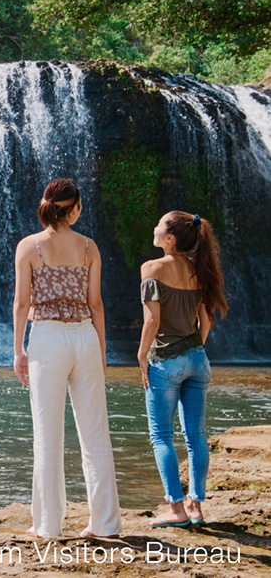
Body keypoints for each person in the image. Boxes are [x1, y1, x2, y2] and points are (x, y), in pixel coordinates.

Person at [13, 178, 121, 539]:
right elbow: (96, 304)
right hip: (85, 337)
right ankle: (105, 524)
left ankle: (48, 525)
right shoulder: (90, 247)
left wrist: (18, 350)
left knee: (47, 434)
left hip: (47, 338)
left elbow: (22, 304)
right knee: (95, 434)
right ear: (73, 208)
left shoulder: (30, 247)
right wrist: (102, 350)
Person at [138, 211, 228, 528]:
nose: (154, 227)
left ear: (170, 238)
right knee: (196, 437)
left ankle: (176, 510)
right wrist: (194, 348)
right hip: (197, 360)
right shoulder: (198, 269)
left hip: (165, 362)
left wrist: (141, 355)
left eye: (159, 225)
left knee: (162, 437)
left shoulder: (151, 268)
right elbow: (206, 321)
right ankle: (196, 506)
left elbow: (152, 320)